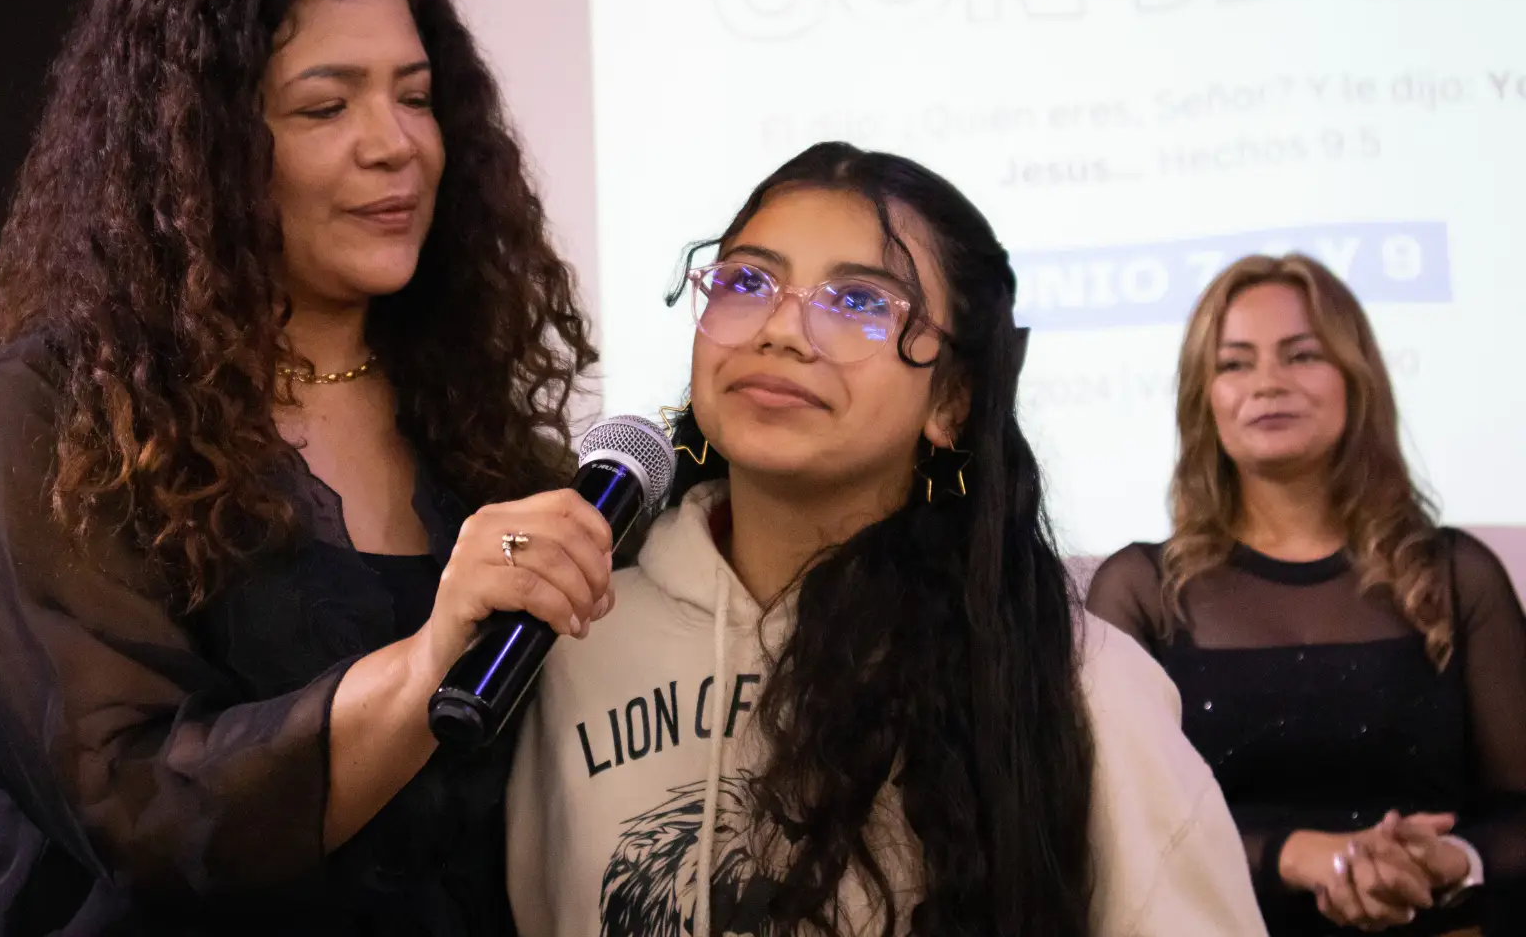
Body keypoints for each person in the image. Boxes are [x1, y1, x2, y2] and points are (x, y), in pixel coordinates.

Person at [0, 0, 610, 936]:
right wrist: (426, 665)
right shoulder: (55, 415)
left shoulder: (468, 417)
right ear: (196, 148)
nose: (396, 144)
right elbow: (136, 804)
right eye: (327, 106)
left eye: (415, 95)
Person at [505, 142, 1265, 936]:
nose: (782, 330)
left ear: (953, 402)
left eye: (861, 302)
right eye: (745, 282)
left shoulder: (1068, 680)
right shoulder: (577, 638)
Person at [1088, 253, 1526, 936]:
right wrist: (1300, 855)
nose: (1269, 383)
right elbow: (1114, 826)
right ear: (1205, 396)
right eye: (1235, 363)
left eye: (1301, 355)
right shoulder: (1141, 592)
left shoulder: (1456, 575)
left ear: (1357, 380)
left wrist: (1453, 858)